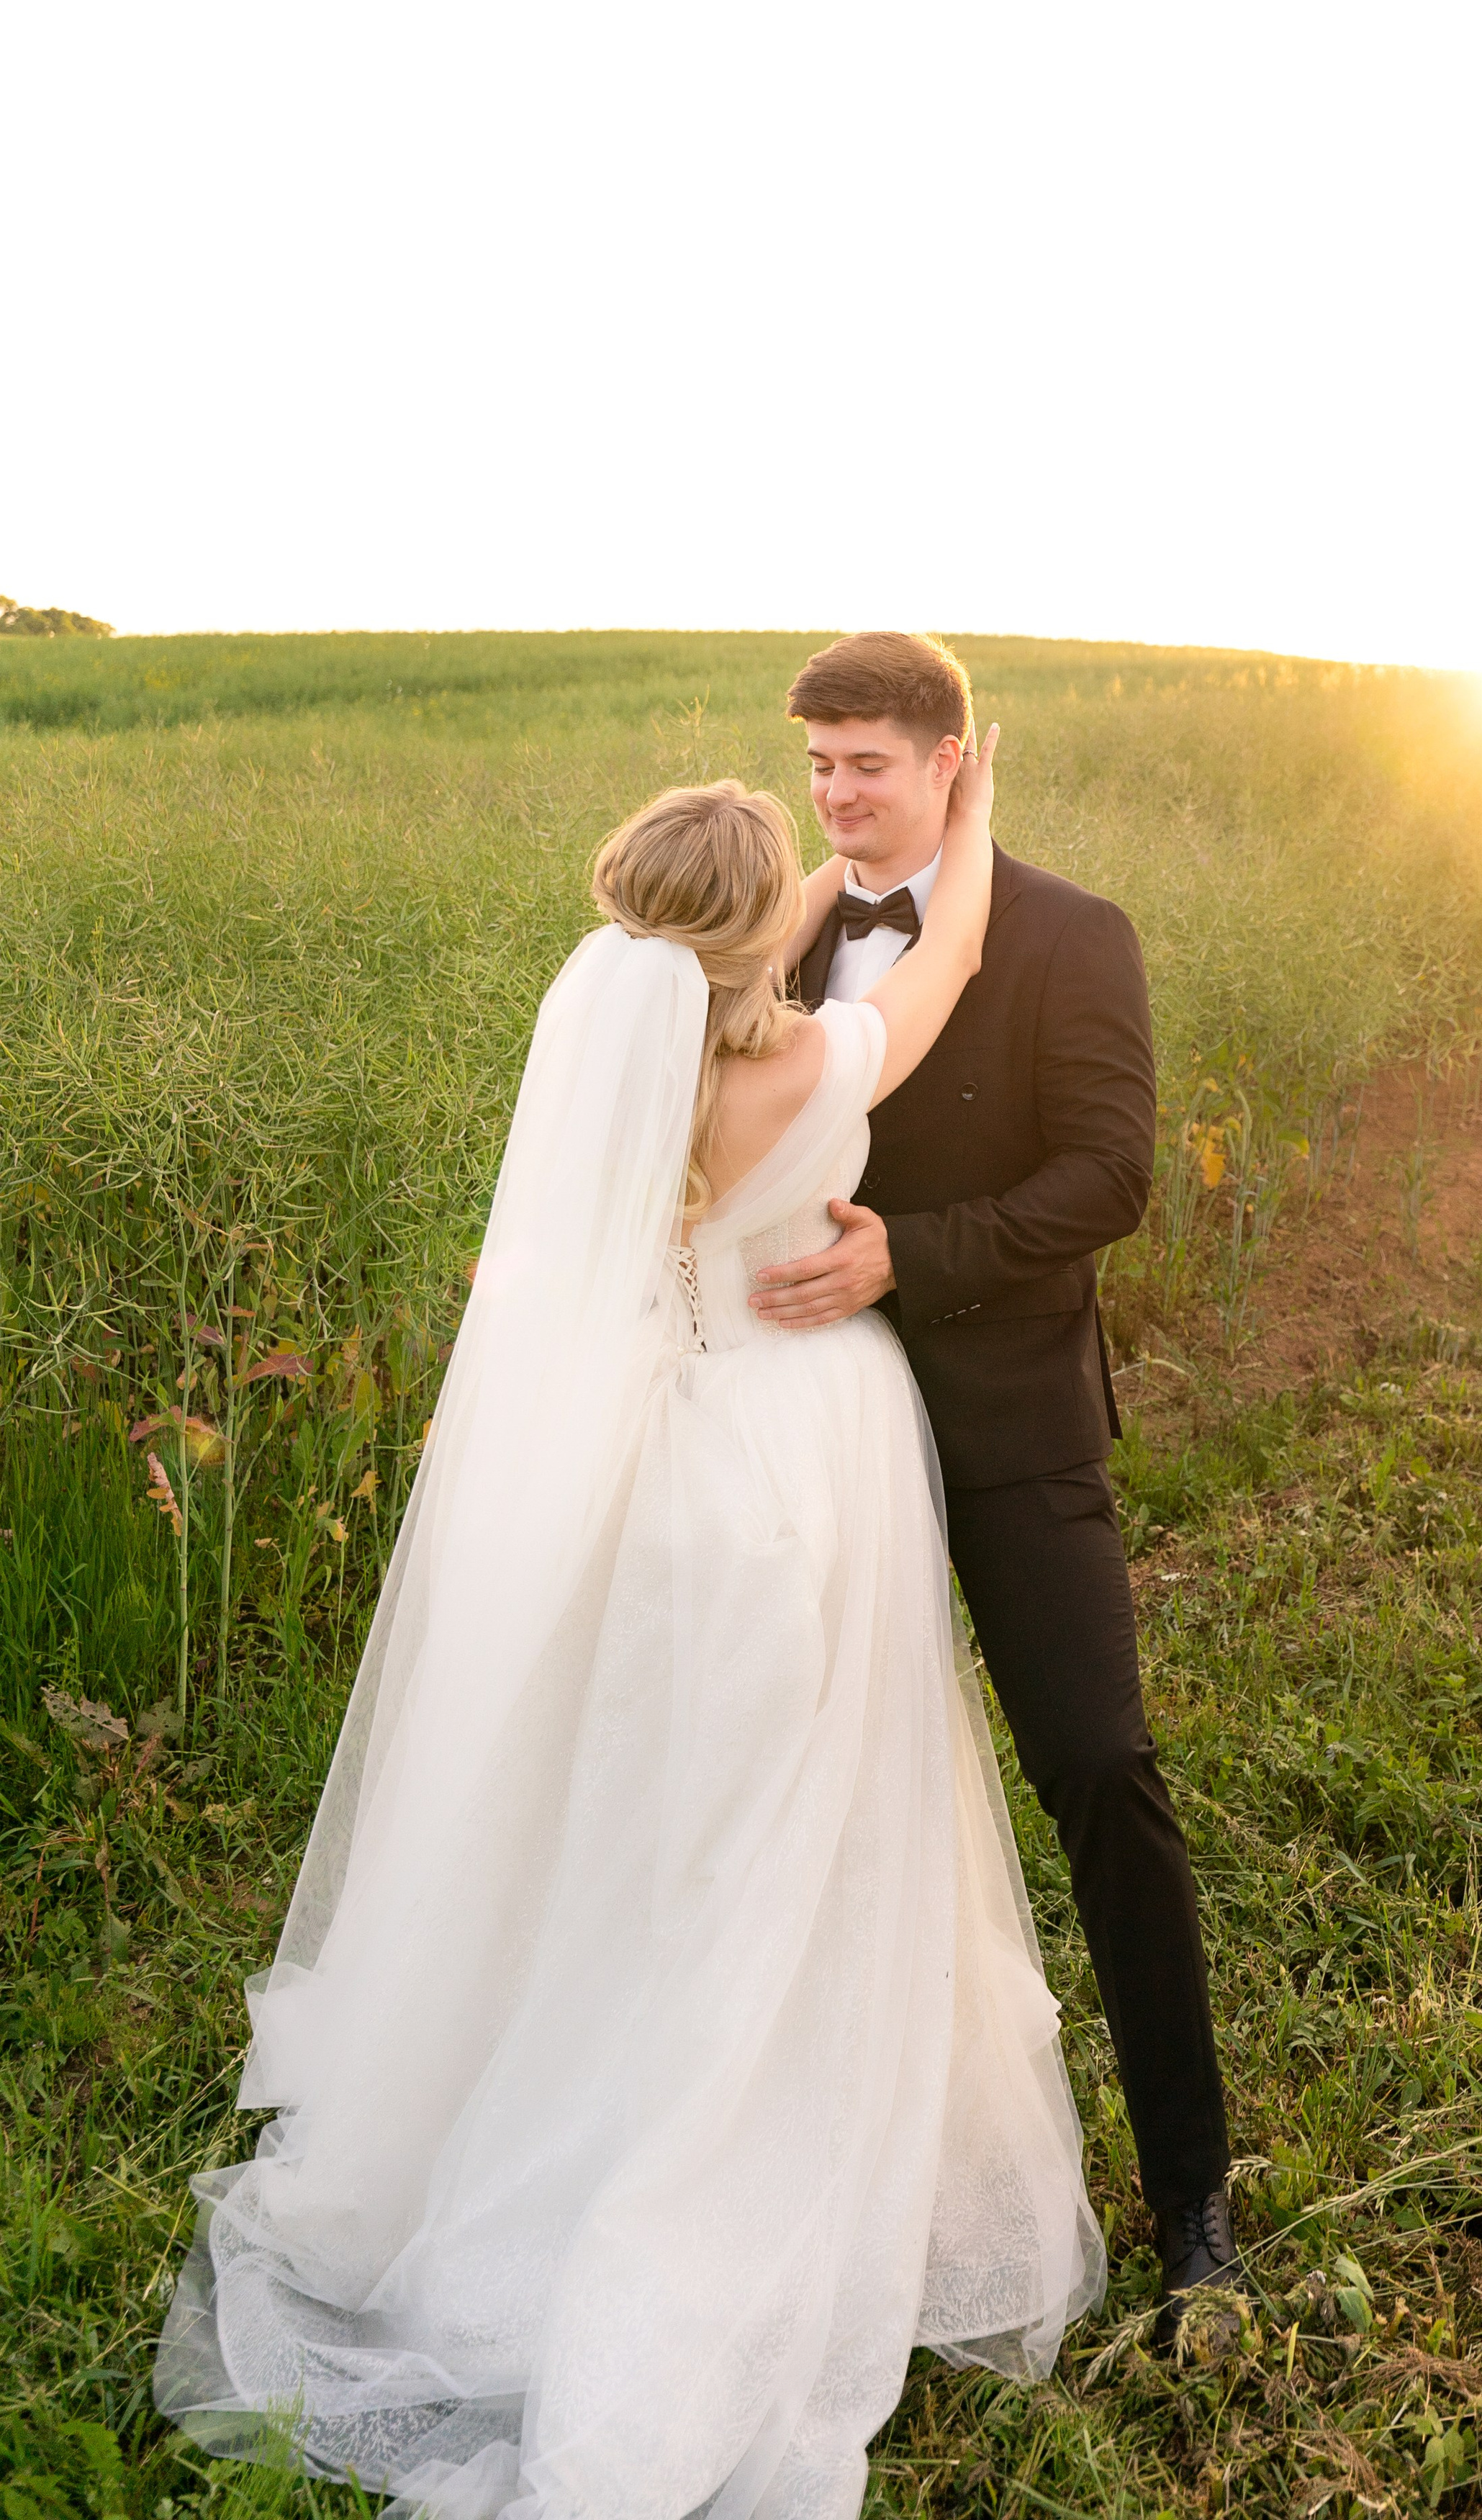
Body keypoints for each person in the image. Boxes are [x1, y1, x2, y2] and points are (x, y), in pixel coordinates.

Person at [155, 739, 1105, 2520]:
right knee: (790, 1830)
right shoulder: (810, 1063)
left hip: (654, 1490)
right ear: (764, 936)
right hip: (793, 1474)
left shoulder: (608, 1031)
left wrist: (749, 877)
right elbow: (953, 952)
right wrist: (962, 817)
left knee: (645, 1830)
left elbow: (720, 940)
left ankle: (588, 2096)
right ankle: (735, 2155)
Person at [762, 631, 1236, 2323]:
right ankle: (823, 2189)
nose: (835, 796)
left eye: (866, 764)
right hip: (804, 1439)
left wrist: (912, 1253)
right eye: (816, 765)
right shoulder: (779, 935)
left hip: (1007, 1426)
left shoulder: (1070, 933)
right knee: (810, 1807)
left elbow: (1108, 1177)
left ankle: (1192, 2198)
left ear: (949, 761)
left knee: (1098, 1764)